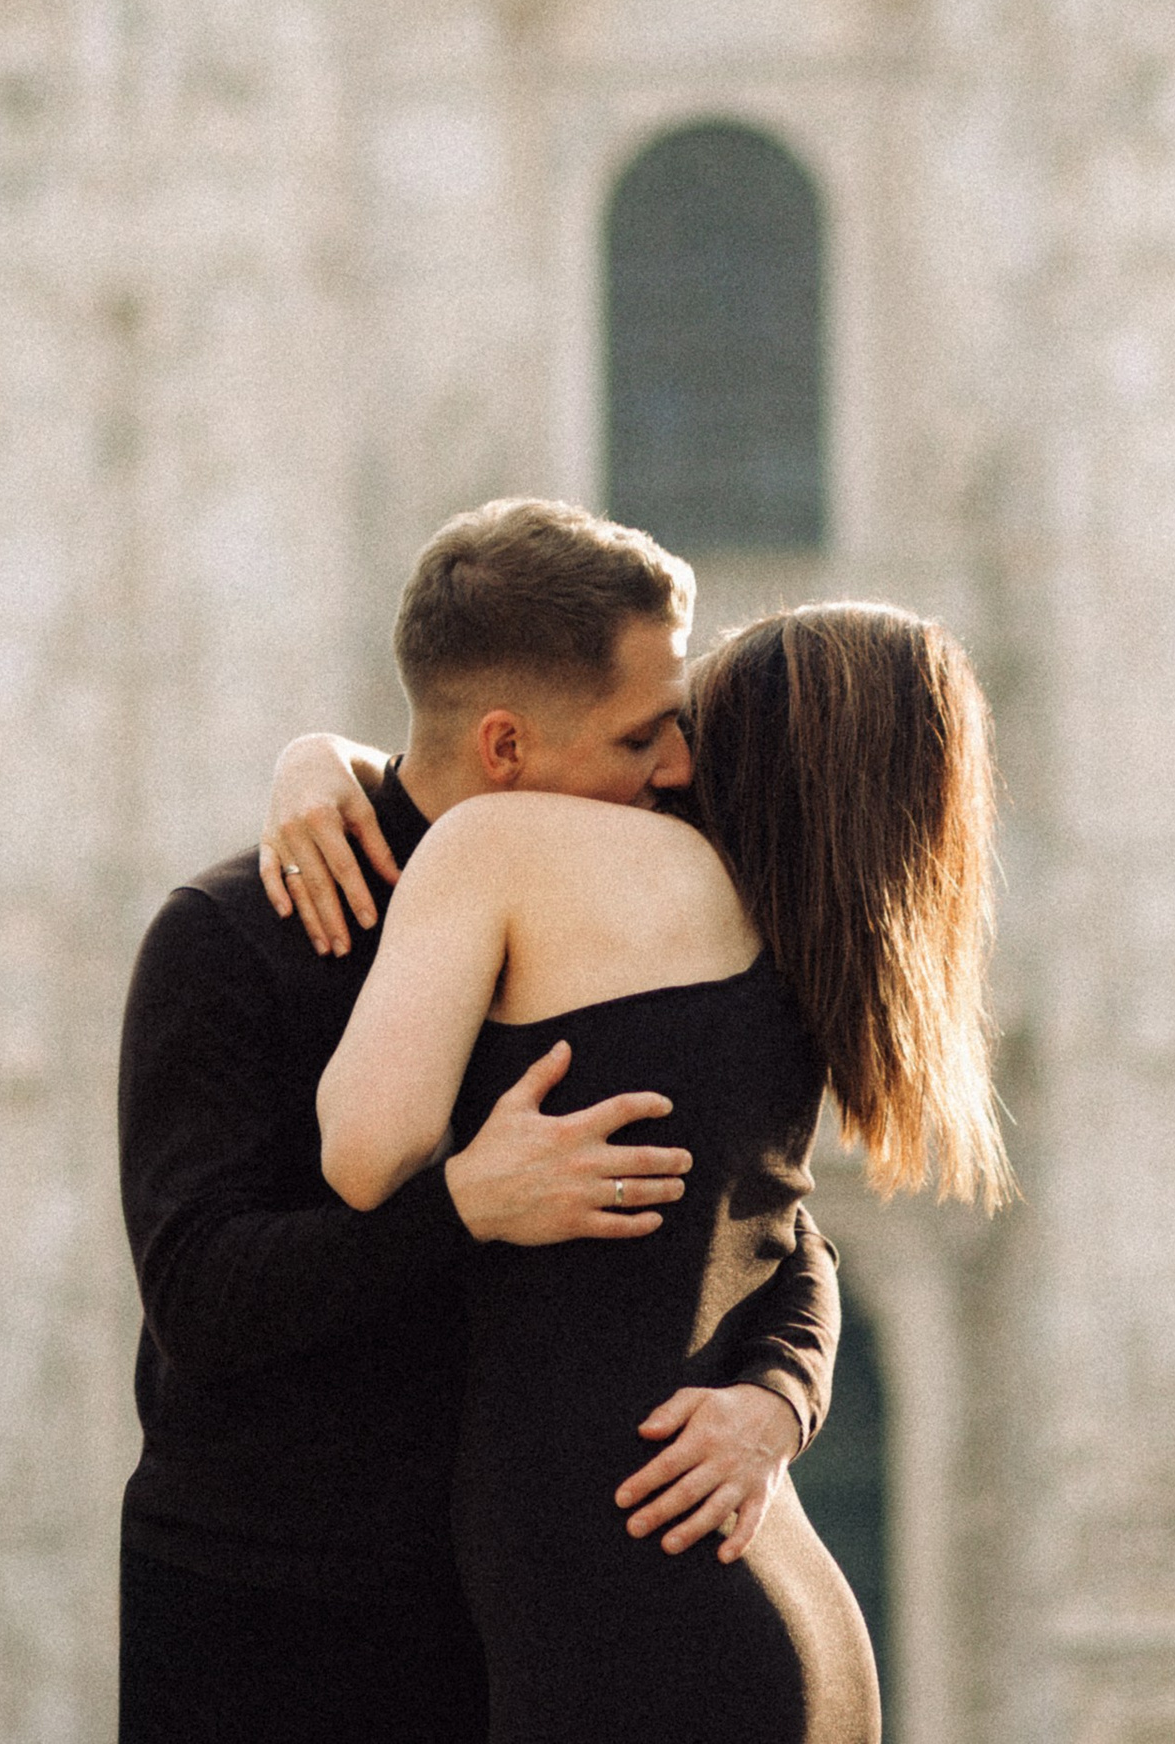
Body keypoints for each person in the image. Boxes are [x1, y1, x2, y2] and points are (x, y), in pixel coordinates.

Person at [116, 501, 843, 1744]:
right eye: (640, 737)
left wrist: (778, 1396)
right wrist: (459, 1207)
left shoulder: (625, 895)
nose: (676, 770)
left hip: (510, 1615)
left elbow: (770, 1213)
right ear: (504, 744)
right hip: (272, 1621)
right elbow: (199, 1294)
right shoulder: (233, 937)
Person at [318, 600, 1012, 1744]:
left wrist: (344, 784)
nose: (660, 755)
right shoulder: (791, 946)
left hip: (623, 1601)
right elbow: (790, 1243)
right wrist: (781, 1398)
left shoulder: (507, 845)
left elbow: (363, 1150)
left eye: (672, 729)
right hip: (782, 1611)